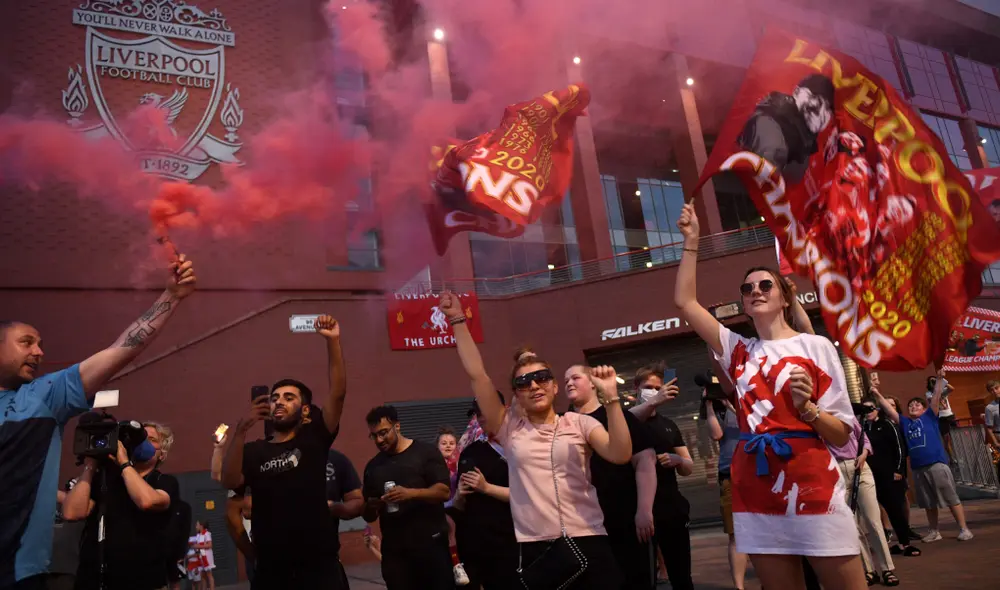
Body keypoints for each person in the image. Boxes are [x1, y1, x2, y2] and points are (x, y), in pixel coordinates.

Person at [674, 202, 865, 589]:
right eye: (747, 289)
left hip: (813, 479)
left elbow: (843, 433)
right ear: (744, 303)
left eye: (765, 285)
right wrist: (692, 241)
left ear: (785, 297)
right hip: (755, 483)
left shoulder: (815, 347)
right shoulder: (738, 349)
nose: (755, 292)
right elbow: (685, 303)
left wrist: (808, 409)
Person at [0, 254, 196, 590]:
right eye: (26, 343)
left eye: (41, 345)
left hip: (19, 573)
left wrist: (171, 296)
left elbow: (122, 348)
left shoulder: (43, 397)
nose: (39, 352)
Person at [441, 291, 631, 590]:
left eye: (542, 377)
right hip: (537, 546)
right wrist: (457, 320)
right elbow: (478, 375)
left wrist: (612, 399)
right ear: (516, 395)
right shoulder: (508, 428)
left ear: (555, 386)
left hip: (589, 537)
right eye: (523, 382)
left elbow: (620, 454)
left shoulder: (580, 423)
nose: (533, 385)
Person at [220, 315, 350, 589]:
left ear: (305, 410)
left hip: (318, 565)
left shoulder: (314, 438)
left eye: (289, 398)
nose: (279, 402)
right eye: (275, 398)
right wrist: (241, 430)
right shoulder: (253, 451)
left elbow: (337, 393)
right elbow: (229, 481)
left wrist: (333, 341)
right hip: (271, 569)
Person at [564, 364, 658, 590]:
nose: (569, 383)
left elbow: (645, 462)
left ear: (593, 383)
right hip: (584, 524)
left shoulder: (620, 418)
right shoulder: (563, 424)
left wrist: (644, 510)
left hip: (623, 518)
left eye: (575, 378)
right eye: (565, 380)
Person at [64, 422, 180, 590]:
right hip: (93, 581)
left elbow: (146, 501)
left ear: (162, 454)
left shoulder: (164, 482)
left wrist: (125, 463)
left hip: (143, 582)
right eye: (140, 437)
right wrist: (91, 465)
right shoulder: (106, 480)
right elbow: (71, 513)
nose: (143, 442)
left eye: (152, 439)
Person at [872, 369, 973, 542]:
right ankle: (934, 531)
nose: (913, 407)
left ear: (925, 408)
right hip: (918, 468)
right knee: (928, 502)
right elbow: (888, 409)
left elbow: (936, 397)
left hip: (936, 464)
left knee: (950, 497)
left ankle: (964, 529)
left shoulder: (929, 417)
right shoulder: (904, 422)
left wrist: (939, 379)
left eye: (917, 405)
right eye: (911, 405)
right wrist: (875, 392)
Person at [361, 405, 454, 590]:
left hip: (430, 547)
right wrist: (371, 506)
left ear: (397, 426)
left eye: (383, 433)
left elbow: (443, 492)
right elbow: (368, 515)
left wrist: (410, 493)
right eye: (374, 435)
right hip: (396, 554)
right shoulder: (373, 467)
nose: (379, 440)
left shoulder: (426, 452)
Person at [632, 365, 694, 590]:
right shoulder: (626, 421)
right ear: (636, 388)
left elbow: (688, 466)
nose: (654, 392)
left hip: (671, 510)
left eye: (658, 388)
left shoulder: (668, 425)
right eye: (649, 387)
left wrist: (678, 460)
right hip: (635, 512)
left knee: (682, 576)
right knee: (641, 578)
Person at [453, 394, 518, 590]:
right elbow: (459, 505)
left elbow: (531, 495)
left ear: (504, 409)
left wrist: (486, 488)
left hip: (512, 543)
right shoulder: (470, 452)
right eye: (477, 414)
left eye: (485, 412)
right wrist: (459, 495)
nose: (481, 418)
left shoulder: (520, 446)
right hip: (478, 546)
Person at [829, 418, 898, 587]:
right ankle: (869, 570)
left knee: (873, 521)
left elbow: (864, 439)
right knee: (852, 525)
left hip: (859, 466)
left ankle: (887, 568)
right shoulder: (818, 419)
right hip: (836, 471)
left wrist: (864, 454)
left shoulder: (847, 416)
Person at [703, 364, 750, 590]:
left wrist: (731, 402)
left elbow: (749, 422)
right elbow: (716, 434)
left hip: (754, 472)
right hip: (729, 475)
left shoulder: (745, 400)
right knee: (735, 534)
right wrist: (708, 405)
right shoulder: (717, 410)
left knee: (764, 530)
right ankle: (739, 586)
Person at [860, 393, 920, 558]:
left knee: (895, 510)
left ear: (878, 409)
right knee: (877, 511)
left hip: (891, 475)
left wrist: (899, 470)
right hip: (872, 476)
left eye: (871, 409)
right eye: (865, 409)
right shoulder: (862, 427)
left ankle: (905, 543)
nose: (868, 412)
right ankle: (889, 543)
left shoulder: (887, 425)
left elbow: (900, 448)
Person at [327, 447, 364, 589]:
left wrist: (335, 507)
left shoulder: (335, 459)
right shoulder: (273, 458)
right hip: (279, 561)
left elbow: (357, 502)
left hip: (326, 559)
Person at [435, 427, 469, 586]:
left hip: (457, 505)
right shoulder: (433, 466)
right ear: (437, 446)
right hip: (440, 506)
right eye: (444, 443)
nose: (448, 446)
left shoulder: (460, 464)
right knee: (450, 526)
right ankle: (456, 565)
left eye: (451, 443)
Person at [45, 481, 85, 590]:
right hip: (36, 566)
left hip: (68, 566)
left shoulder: (88, 479)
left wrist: (53, 494)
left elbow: (84, 506)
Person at [925, 375, 956, 458]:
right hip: (941, 417)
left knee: (956, 436)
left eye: (934, 381)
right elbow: (933, 399)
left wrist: (941, 380)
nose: (933, 383)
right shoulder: (929, 394)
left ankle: (958, 454)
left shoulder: (943, 390)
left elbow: (952, 388)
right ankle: (952, 458)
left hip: (950, 415)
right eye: (931, 381)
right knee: (946, 439)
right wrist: (936, 389)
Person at [985, 379, 1000, 484]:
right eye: (991, 390)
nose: (995, 391)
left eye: (996, 388)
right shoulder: (990, 408)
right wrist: (995, 442)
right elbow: (989, 427)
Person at [193, 521, 215, 590]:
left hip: (207, 557)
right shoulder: (198, 535)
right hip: (200, 557)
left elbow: (210, 545)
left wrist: (198, 546)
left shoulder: (207, 534)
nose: (196, 527)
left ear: (201, 526)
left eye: (197, 525)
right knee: (203, 576)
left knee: (209, 575)